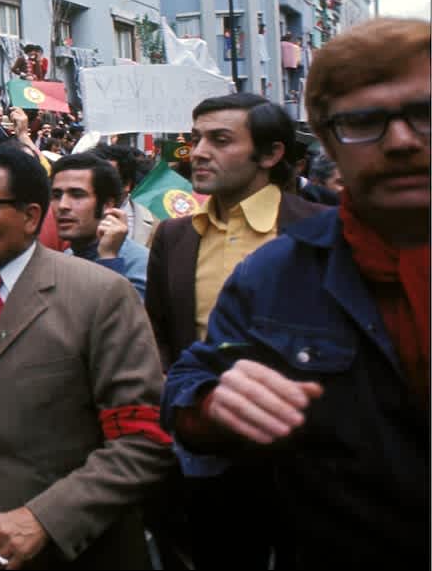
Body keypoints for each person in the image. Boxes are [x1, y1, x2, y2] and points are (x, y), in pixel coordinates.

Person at [162, 18, 430, 569]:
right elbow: (186, 378)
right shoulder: (276, 273)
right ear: (331, 140)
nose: (402, 140)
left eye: (425, 114)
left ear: (274, 153)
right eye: (364, 122)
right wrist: (214, 407)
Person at [0, 144, 173, 570]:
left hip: (71, 551)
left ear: (29, 216)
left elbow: (141, 440)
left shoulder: (99, 295)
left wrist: (47, 517)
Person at [143, 92, 325, 569]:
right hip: (203, 454)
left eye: (220, 140)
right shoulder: (174, 235)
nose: (198, 152)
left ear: (270, 154)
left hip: (307, 457)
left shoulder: (321, 229)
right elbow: (159, 334)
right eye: (195, 138)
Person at [50, 152, 150, 299]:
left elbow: (119, 320)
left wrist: (109, 260)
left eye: (77, 195)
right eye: (57, 196)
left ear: (107, 205)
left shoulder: (139, 264)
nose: (62, 206)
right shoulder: (62, 261)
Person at [91, 143, 159, 248]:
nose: (96, 185)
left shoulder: (156, 224)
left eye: (105, 179)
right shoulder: (73, 218)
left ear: (127, 184)